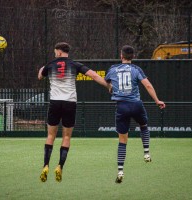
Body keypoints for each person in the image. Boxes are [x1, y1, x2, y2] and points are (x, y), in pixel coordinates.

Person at [38, 42, 111, 183]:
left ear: (59, 52)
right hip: (69, 103)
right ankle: (60, 166)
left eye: (55, 52)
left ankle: (46, 165)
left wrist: (43, 67)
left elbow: (40, 76)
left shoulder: (50, 65)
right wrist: (108, 85)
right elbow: (94, 76)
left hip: (54, 102)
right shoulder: (75, 65)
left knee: (51, 135)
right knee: (66, 137)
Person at [104, 45, 165, 184]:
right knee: (143, 125)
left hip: (121, 106)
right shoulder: (136, 69)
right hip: (136, 105)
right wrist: (157, 100)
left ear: (121, 55)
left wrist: (110, 88)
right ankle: (147, 152)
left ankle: (120, 170)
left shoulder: (113, 69)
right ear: (133, 56)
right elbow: (148, 85)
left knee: (122, 141)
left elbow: (107, 82)